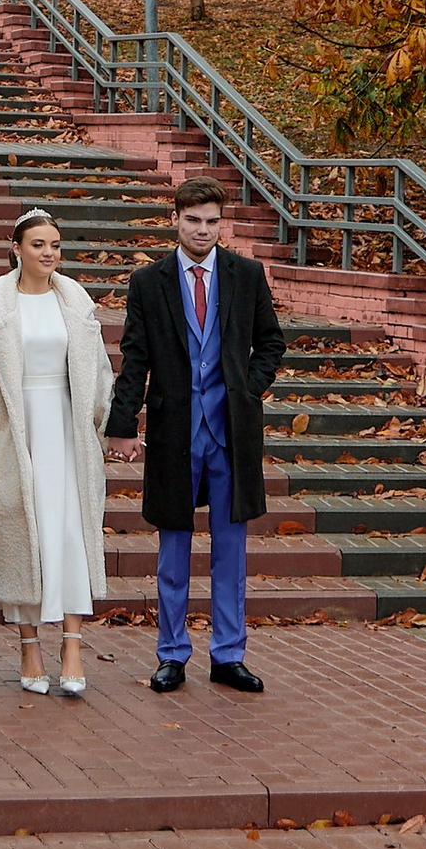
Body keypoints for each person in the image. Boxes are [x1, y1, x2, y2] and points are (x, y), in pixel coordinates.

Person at [105, 173, 285, 694]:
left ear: (221, 223)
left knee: (232, 551)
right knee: (173, 551)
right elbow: (135, 358)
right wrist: (123, 425)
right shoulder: (148, 282)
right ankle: (172, 654)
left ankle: (229, 655)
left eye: (211, 221)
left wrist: (246, 389)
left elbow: (271, 343)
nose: (203, 230)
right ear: (175, 220)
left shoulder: (246, 275)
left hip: (231, 432)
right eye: (193, 221)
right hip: (174, 431)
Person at [0, 205, 111, 698]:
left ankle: (73, 647)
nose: (48, 253)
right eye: (38, 245)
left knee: (72, 535)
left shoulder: (75, 302)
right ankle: (30, 646)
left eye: (55, 245)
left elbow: (99, 374)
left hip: (68, 433)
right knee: (22, 540)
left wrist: (109, 427)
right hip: (15, 435)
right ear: (16, 249)